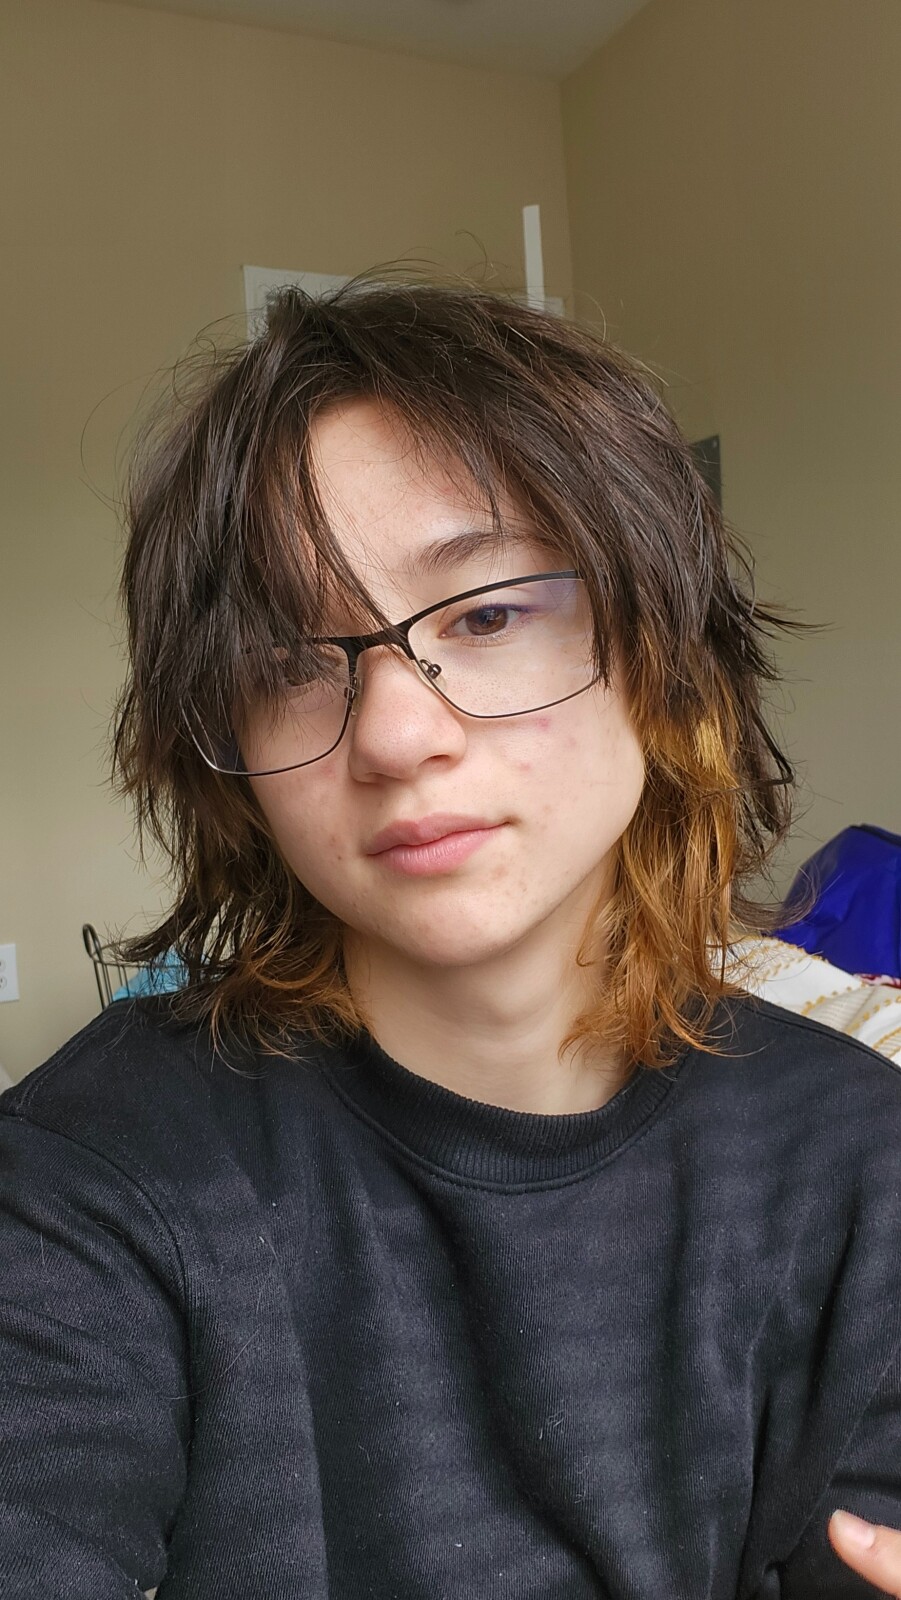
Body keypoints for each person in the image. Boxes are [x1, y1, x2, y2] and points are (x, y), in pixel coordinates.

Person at [1, 275, 900, 1600]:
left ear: (661, 648)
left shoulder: (862, 1160)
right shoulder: (94, 1167)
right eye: (288, 661)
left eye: (483, 615)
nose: (392, 734)